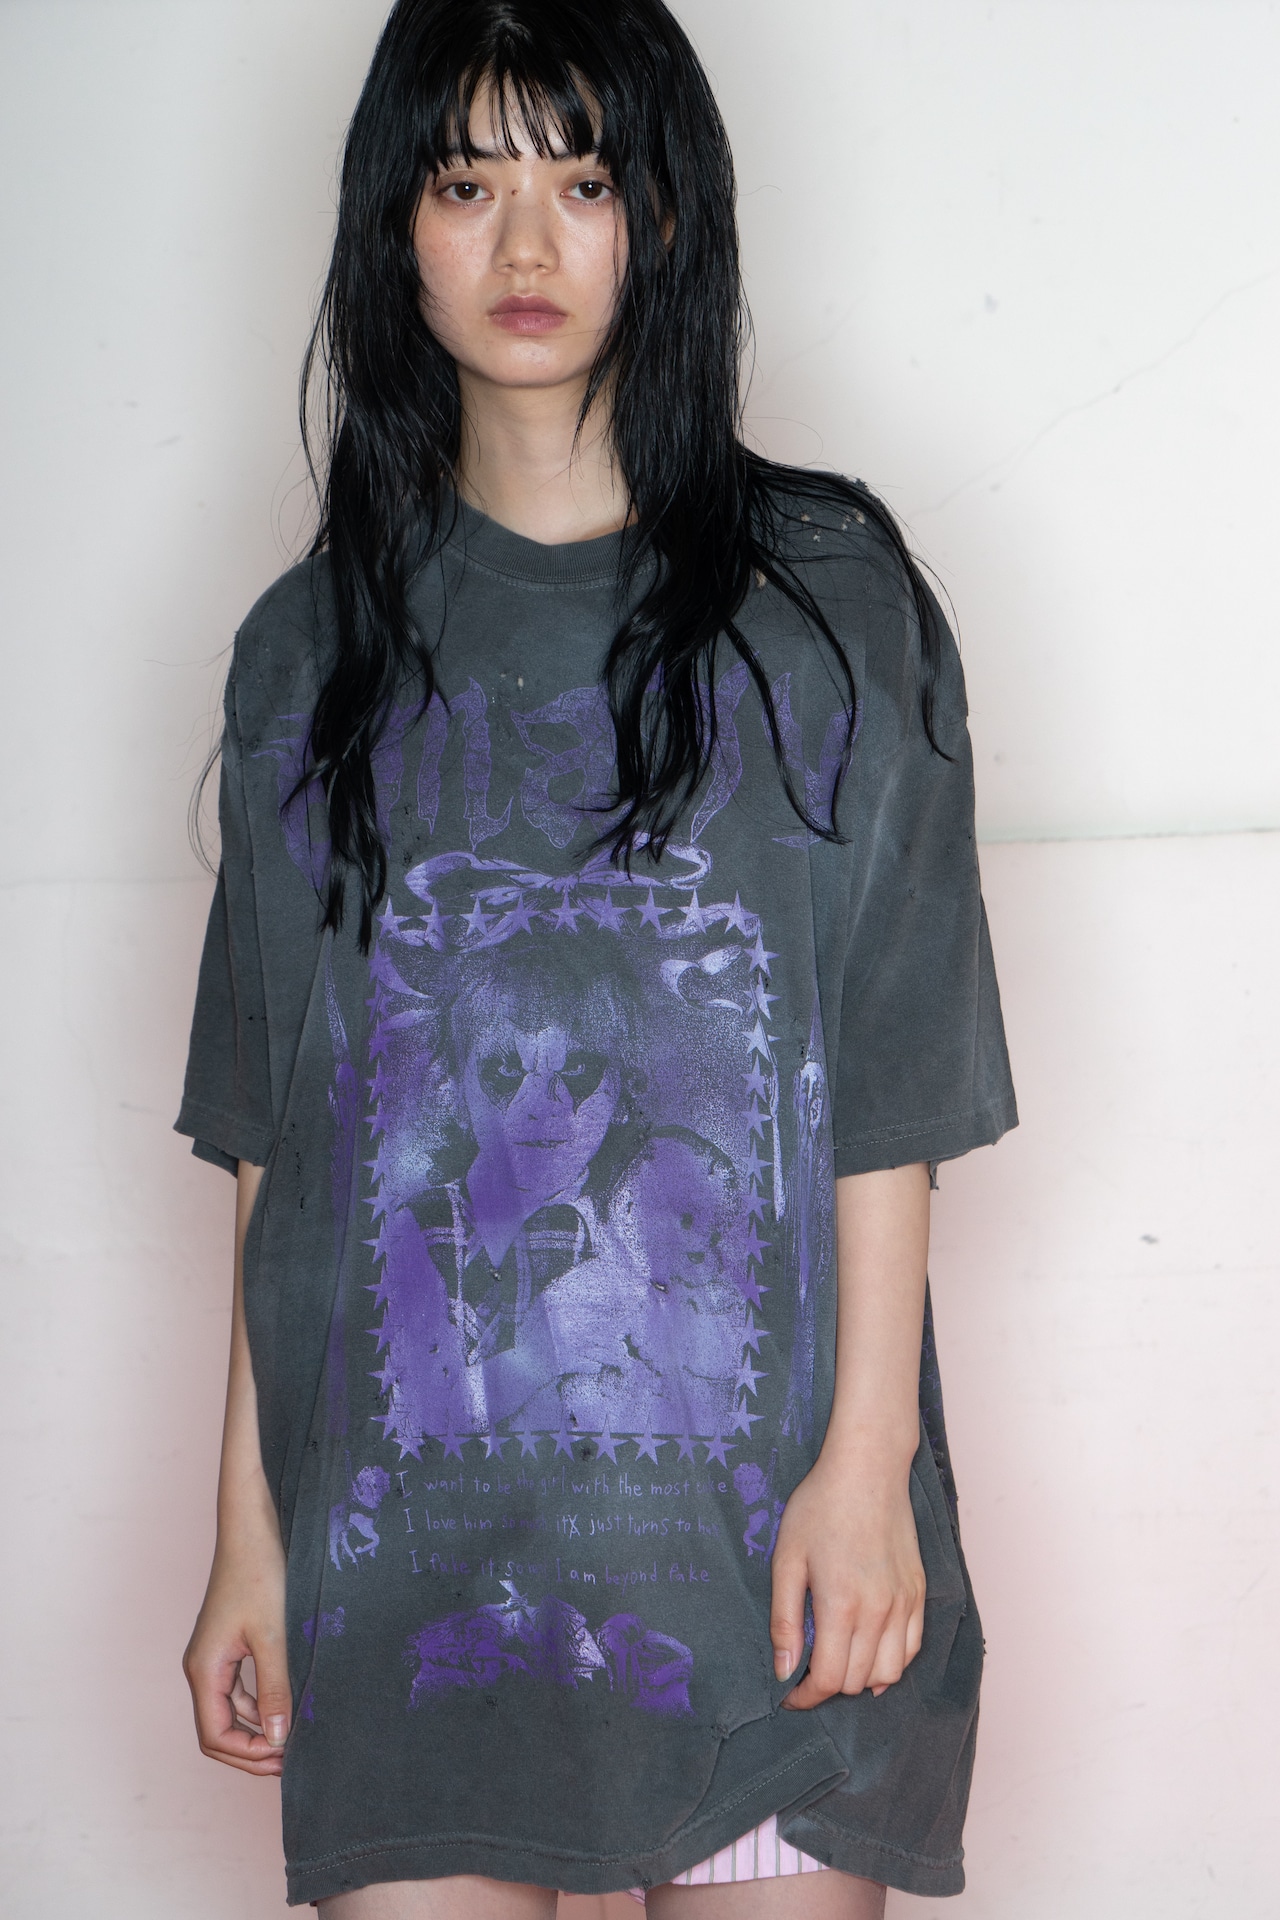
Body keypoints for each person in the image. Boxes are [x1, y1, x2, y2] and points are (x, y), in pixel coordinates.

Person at [176, 2, 1017, 1915]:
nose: (529, 244)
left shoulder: (828, 613)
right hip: (411, 1581)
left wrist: (870, 1466)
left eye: (584, 179)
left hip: (764, 1563)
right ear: (395, 225)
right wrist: (249, 1540)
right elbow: (277, 1145)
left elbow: (893, 1075)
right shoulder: (308, 657)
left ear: (668, 213)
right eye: (467, 184)